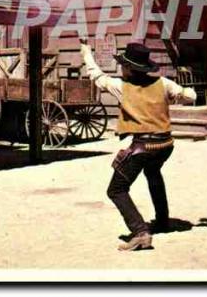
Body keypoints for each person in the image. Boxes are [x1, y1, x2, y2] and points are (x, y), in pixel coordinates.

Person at [80, 39, 197, 251]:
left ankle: (140, 232)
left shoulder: (121, 86)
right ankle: (162, 220)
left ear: (129, 69)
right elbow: (190, 95)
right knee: (153, 173)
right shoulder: (163, 83)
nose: (121, 69)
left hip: (143, 147)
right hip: (166, 145)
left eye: (123, 66)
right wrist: (172, 98)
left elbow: (97, 76)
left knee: (116, 190)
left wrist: (86, 52)